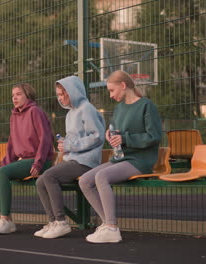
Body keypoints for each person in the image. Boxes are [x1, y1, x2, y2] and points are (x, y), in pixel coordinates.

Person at [78, 70, 162, 243]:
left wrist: (125, 138)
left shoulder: (147, 106)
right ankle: (107, 223)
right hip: (120, 158)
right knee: (85, 181)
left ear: (123, 86)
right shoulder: (119, 108)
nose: (110, 95)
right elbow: (118, 133)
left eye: (112, 90)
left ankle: (112, 228)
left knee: (101, 176)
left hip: (140, 160)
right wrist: (111, 136)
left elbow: (154, 137)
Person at [35, 76, 105, 239]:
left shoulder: (87, 109)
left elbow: (97, 136)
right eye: (58, 95)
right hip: (74, 159)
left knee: (50, 176)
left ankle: (61, 222)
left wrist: (70, 146)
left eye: (62, 94)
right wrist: (65, 145)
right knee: (40, 181)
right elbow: (74, 140)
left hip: (87, 161)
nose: (60, 98)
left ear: (73, 92)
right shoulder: (70, 114)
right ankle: (53, 222)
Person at [0, 83, 54, 234]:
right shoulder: (14, 116)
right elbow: (12, 143)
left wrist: (38, 162)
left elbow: (45, 139)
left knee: (3, 173)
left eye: (18, 94)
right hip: (25, 161)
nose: (14, 97)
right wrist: (5, 164)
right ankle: (8, 220)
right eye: (13, 95)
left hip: (40, 161)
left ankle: (5, 220)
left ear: (28, 95)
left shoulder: (35, 111)